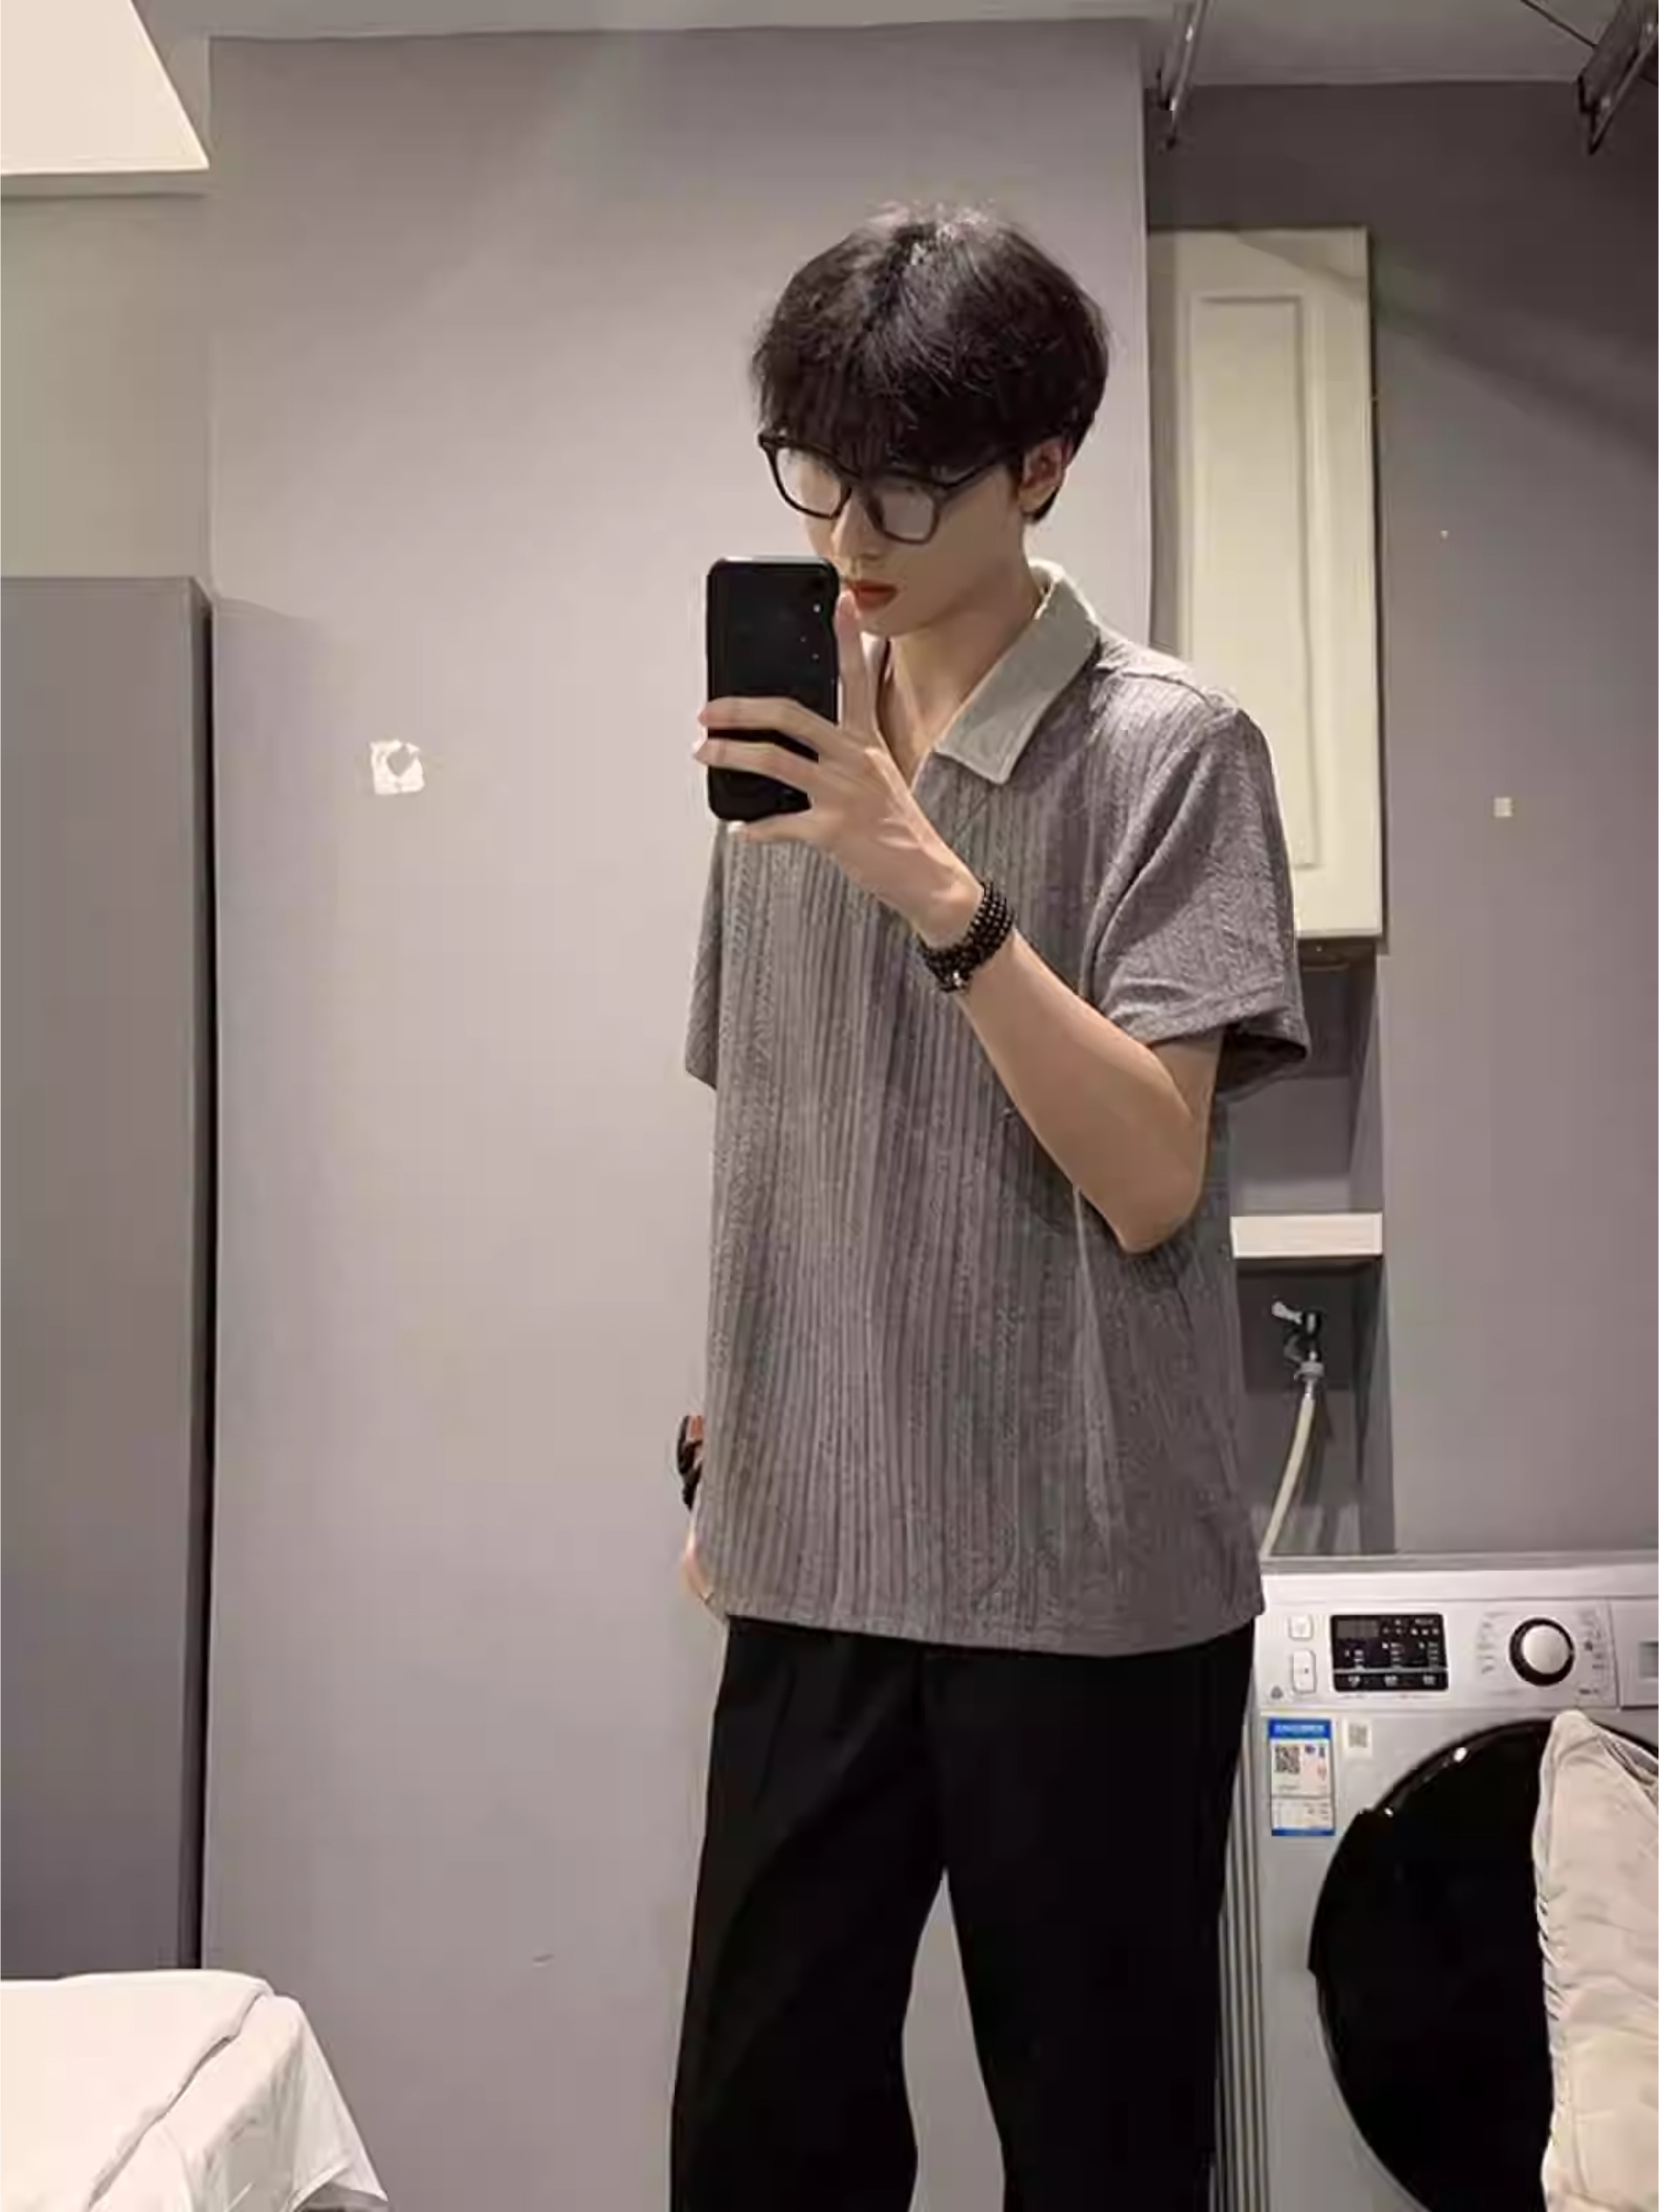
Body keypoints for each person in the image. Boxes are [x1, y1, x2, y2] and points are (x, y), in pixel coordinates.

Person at [674, 204, 1308, 2212]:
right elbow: (780, 1130)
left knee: (1101, 2151)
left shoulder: (1170, 749)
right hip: (814, 1550)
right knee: (756, 2145)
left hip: (1088, 1578)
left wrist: (935, 885)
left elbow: (1149, 1173)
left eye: (903, 484)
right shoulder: (786, 751)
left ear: (1039, 465)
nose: (844, 529)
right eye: (812, 469)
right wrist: (730, 1429)